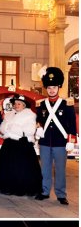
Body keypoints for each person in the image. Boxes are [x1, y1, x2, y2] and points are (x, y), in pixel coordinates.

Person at [35, 66, 77, 205]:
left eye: (54, 87)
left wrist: (71, 140)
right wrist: (39, 128)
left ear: (59, 87)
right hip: (45, 142)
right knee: (45, 168)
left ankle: (60, 194)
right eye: (49, 88)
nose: (51, 90)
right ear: (46, 88)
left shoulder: (67, 105)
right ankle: (45, 191)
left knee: (60, 169)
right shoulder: (41, 105)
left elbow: (72, 124)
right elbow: (39, 121)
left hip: (60, 142)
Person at [0, 94, 42, 196]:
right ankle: (7, 187)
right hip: (9, 144)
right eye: (15, 104)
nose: (16, 105)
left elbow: (29, 131)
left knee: (20, 168)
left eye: (19, 104)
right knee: (7, 167)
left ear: (24, 105)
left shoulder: (30, 115)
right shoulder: (9, 115)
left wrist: (12, 128)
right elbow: (3, 128)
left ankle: (19, 188)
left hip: (22, 145)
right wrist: (13, 128)